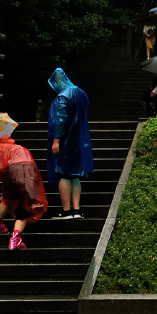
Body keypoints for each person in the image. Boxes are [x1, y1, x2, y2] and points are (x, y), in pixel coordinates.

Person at [0, 131, 48, 250]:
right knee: (26, 204)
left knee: (7, 198)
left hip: (10, 173)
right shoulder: (19, 148)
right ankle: (15, 238)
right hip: (27, 172)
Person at [46, 68, 94, 219]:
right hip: (79, 139)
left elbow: (60, 120)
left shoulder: (62, 97)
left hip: (65, 140)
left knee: (63, 174)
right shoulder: (81, 93)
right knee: (75, 175)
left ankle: (66, 211)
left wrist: (56, 140)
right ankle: (77, 210)